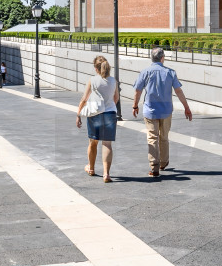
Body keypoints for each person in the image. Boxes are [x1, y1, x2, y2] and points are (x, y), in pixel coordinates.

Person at [132, 46, 192, 177]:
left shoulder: (145, 72)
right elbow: (178, 91)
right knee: (164, 137)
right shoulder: (170, 72)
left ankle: (154, 167)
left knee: (152, 137)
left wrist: (135, 105)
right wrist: (186, 108)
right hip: (166, 111)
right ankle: (164, 162)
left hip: (150, 110)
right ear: (162, 58)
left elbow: (138, 90)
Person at [76, 56, 120, 182]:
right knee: (107, 144)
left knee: (93, 142)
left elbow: (84, 99)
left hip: (95, 114)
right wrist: (110, 107)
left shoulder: (92, 80)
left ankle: (91, 168)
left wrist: (78, 114)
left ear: (96, 68)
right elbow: (116, 98)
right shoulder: (113, 81)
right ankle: (106, 174)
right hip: (110, 113)